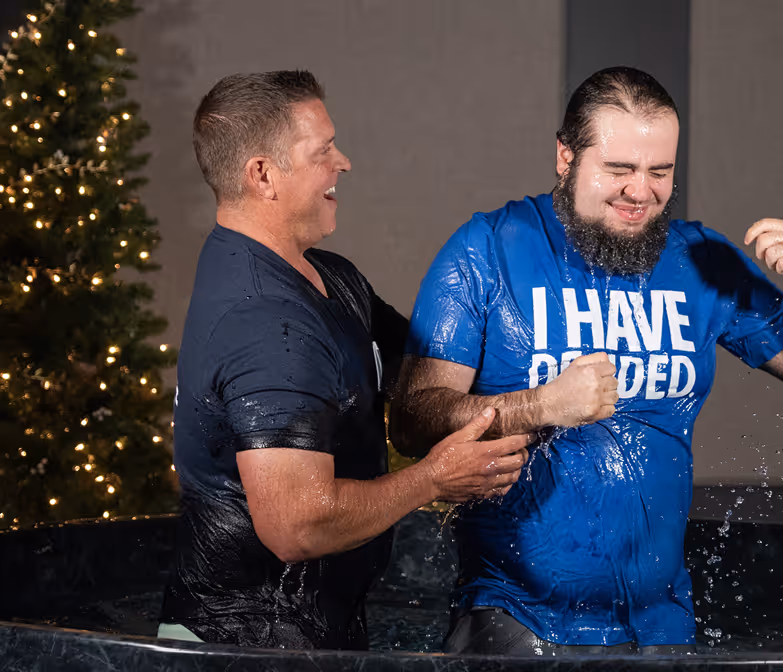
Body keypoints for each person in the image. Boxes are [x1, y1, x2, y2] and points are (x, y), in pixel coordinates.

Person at [390, 66, 783, 655]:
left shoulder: (701, 260)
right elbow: (413, 418)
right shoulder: (485, 251)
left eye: (660, 172)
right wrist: (539, 406)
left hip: (663, 626)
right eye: (619, 170)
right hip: (517, 617)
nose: (642, 191)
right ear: (565, 157)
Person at [158, 70, 532, 650]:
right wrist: (434, 478)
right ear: (262, 174)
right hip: (244, 648)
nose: (345, 162)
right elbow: (295, 526)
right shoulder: (266, 324)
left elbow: (440, 365)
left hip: (317, 630)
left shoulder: (332, 279)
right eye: (322, 151)